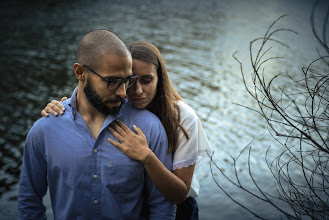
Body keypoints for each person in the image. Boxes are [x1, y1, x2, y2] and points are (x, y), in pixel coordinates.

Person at [41, 41, 211, 220]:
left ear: (160, 78)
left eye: (147, 80)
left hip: (179, 211)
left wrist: (147, 157)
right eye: (130, 81)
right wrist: (60, 109)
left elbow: (179, 195)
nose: (137, 91)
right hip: (134, 205)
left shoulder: (183, 117)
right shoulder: (119, 102)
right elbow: (86, 99)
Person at [18, 30, 176, 219]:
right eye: (112, 81)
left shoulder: (149, 127)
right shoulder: (44, 130)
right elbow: (29, 202)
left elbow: (162, 204)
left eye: (126, 81)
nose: (123, 93)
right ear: (80, 72)